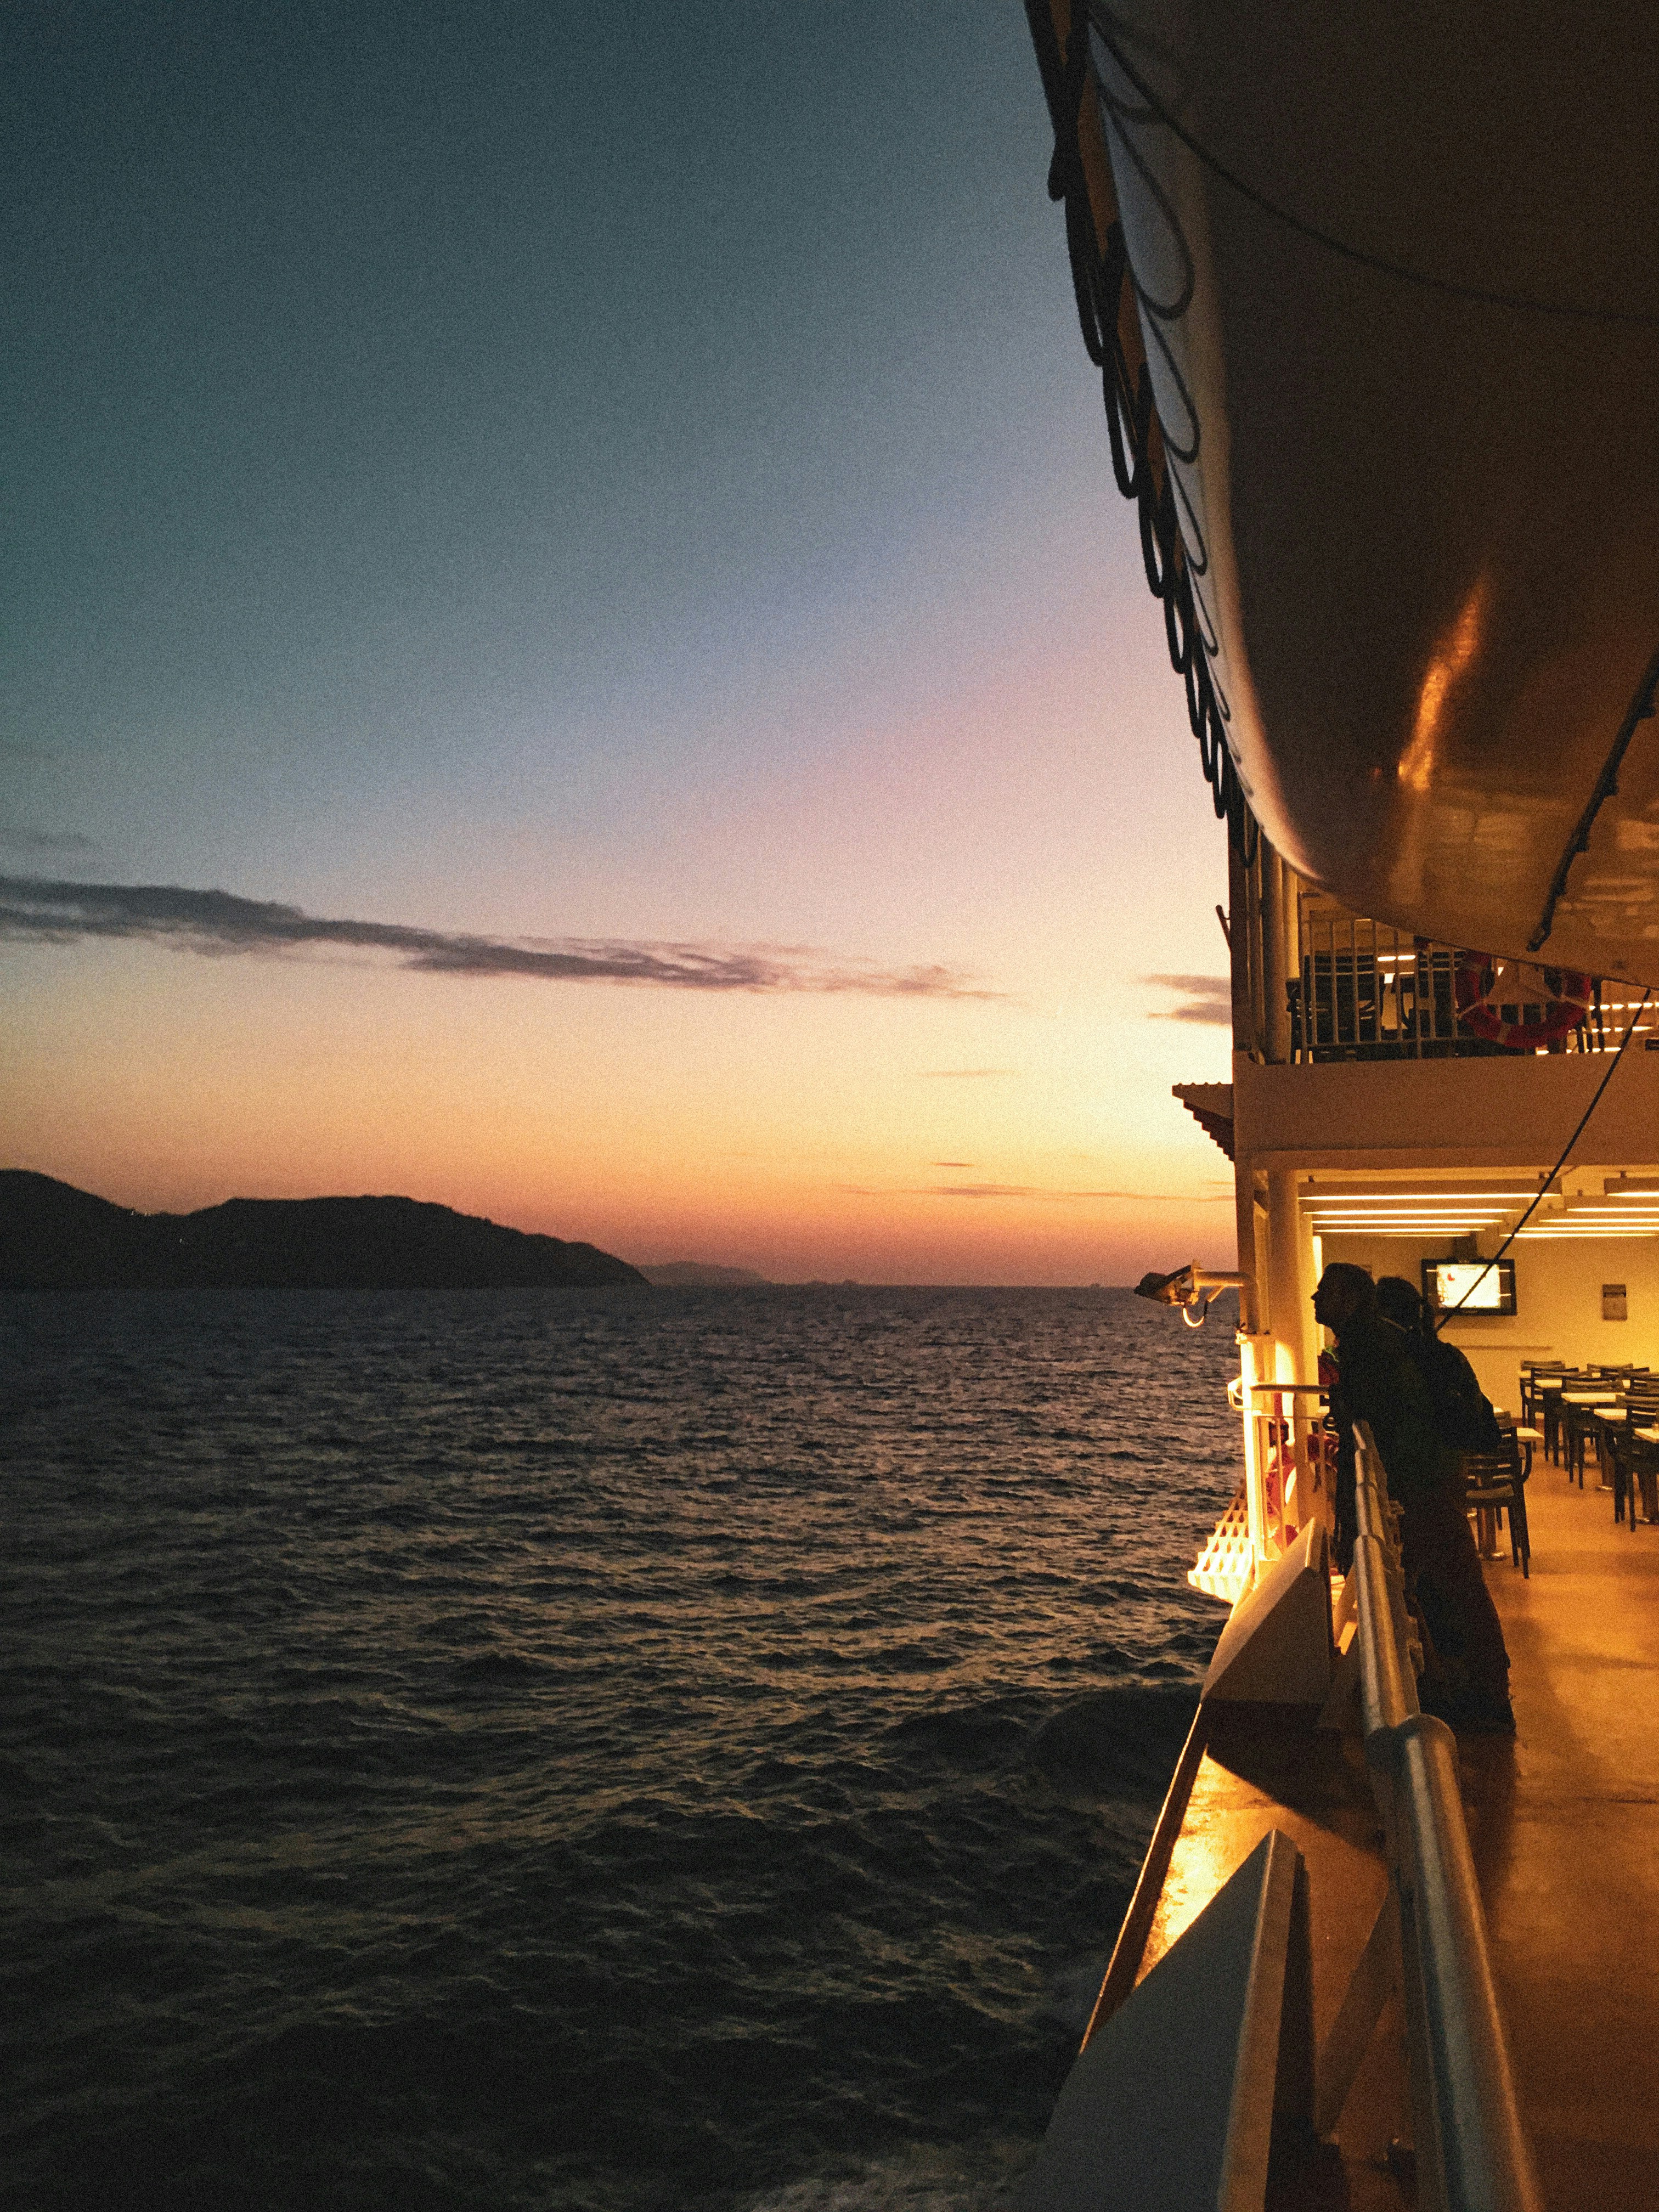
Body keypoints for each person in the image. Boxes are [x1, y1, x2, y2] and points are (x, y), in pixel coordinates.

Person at [1312, 1262, 1514, 1733]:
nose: (1314, 1299)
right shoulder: (1385, 1347)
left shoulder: (1373, 1349)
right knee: (1435, 1585)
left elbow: (1371, 1415)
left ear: (1352, 1300)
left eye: (1325, 1291)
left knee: (1456, 1586)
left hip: (1423, 1483)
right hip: (1428, 1479)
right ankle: (1460, 1684)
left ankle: (1489, 1694)